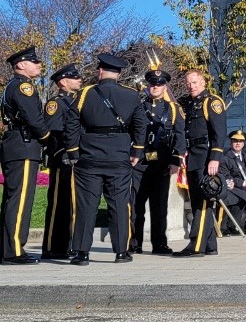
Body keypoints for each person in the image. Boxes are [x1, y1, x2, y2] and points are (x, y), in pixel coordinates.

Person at [62, 52, 148, 265]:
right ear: (118, 74)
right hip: (119, 157)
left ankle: (81, 252)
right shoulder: (131, 95)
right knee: (119, 204)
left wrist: (73, 152)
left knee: (86, 206)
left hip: (89, 157)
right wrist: (136, 151)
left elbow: (71, 123)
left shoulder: (84, 95)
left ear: (100, 71)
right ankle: (121, 252)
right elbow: (141, 124)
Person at [0, 45, 51, 265]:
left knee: (14, 199)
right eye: (34, 61)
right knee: (20, 200)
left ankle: (11, 249)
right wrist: (48, 139)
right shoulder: (23, 87)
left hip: (18, 144)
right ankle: (14, 251)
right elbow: (34, 120)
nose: (38, 65)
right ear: (20, 65)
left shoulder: (16, 86)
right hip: (24, 144)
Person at [176, 69, 228, 257]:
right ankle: (210, 245)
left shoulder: (212, 102)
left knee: (202, 202)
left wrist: (215, 158)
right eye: (188, 83)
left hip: (206, 157)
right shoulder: (190, 104)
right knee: (200, 199)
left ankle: (196, 244)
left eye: (195, 82)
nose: (191, 86)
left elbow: (219, 132)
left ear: (203, 83)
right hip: (194, 157)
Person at [131, 67, 181, 255]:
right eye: (152, 83)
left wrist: (176, 160)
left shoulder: (173, 109)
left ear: (165, 87)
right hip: (140, 163)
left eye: (159, 84)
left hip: (162, 164)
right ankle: (134, 243)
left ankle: (159, 244)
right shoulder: (138, 106)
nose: (155, 86)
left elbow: (179, 136)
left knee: (159, 207)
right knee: (137, 206)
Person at [40, 63, 82, 261]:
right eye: (74, 77)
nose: (79, 80)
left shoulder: (77, 101)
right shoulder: (56, 103)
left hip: (77, 159)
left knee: (74, 204)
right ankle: (53, 247)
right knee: (59, 204)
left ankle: (70, 245)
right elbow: (53, 132)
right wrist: (64, 151)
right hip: (62, 159)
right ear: (63, 82)